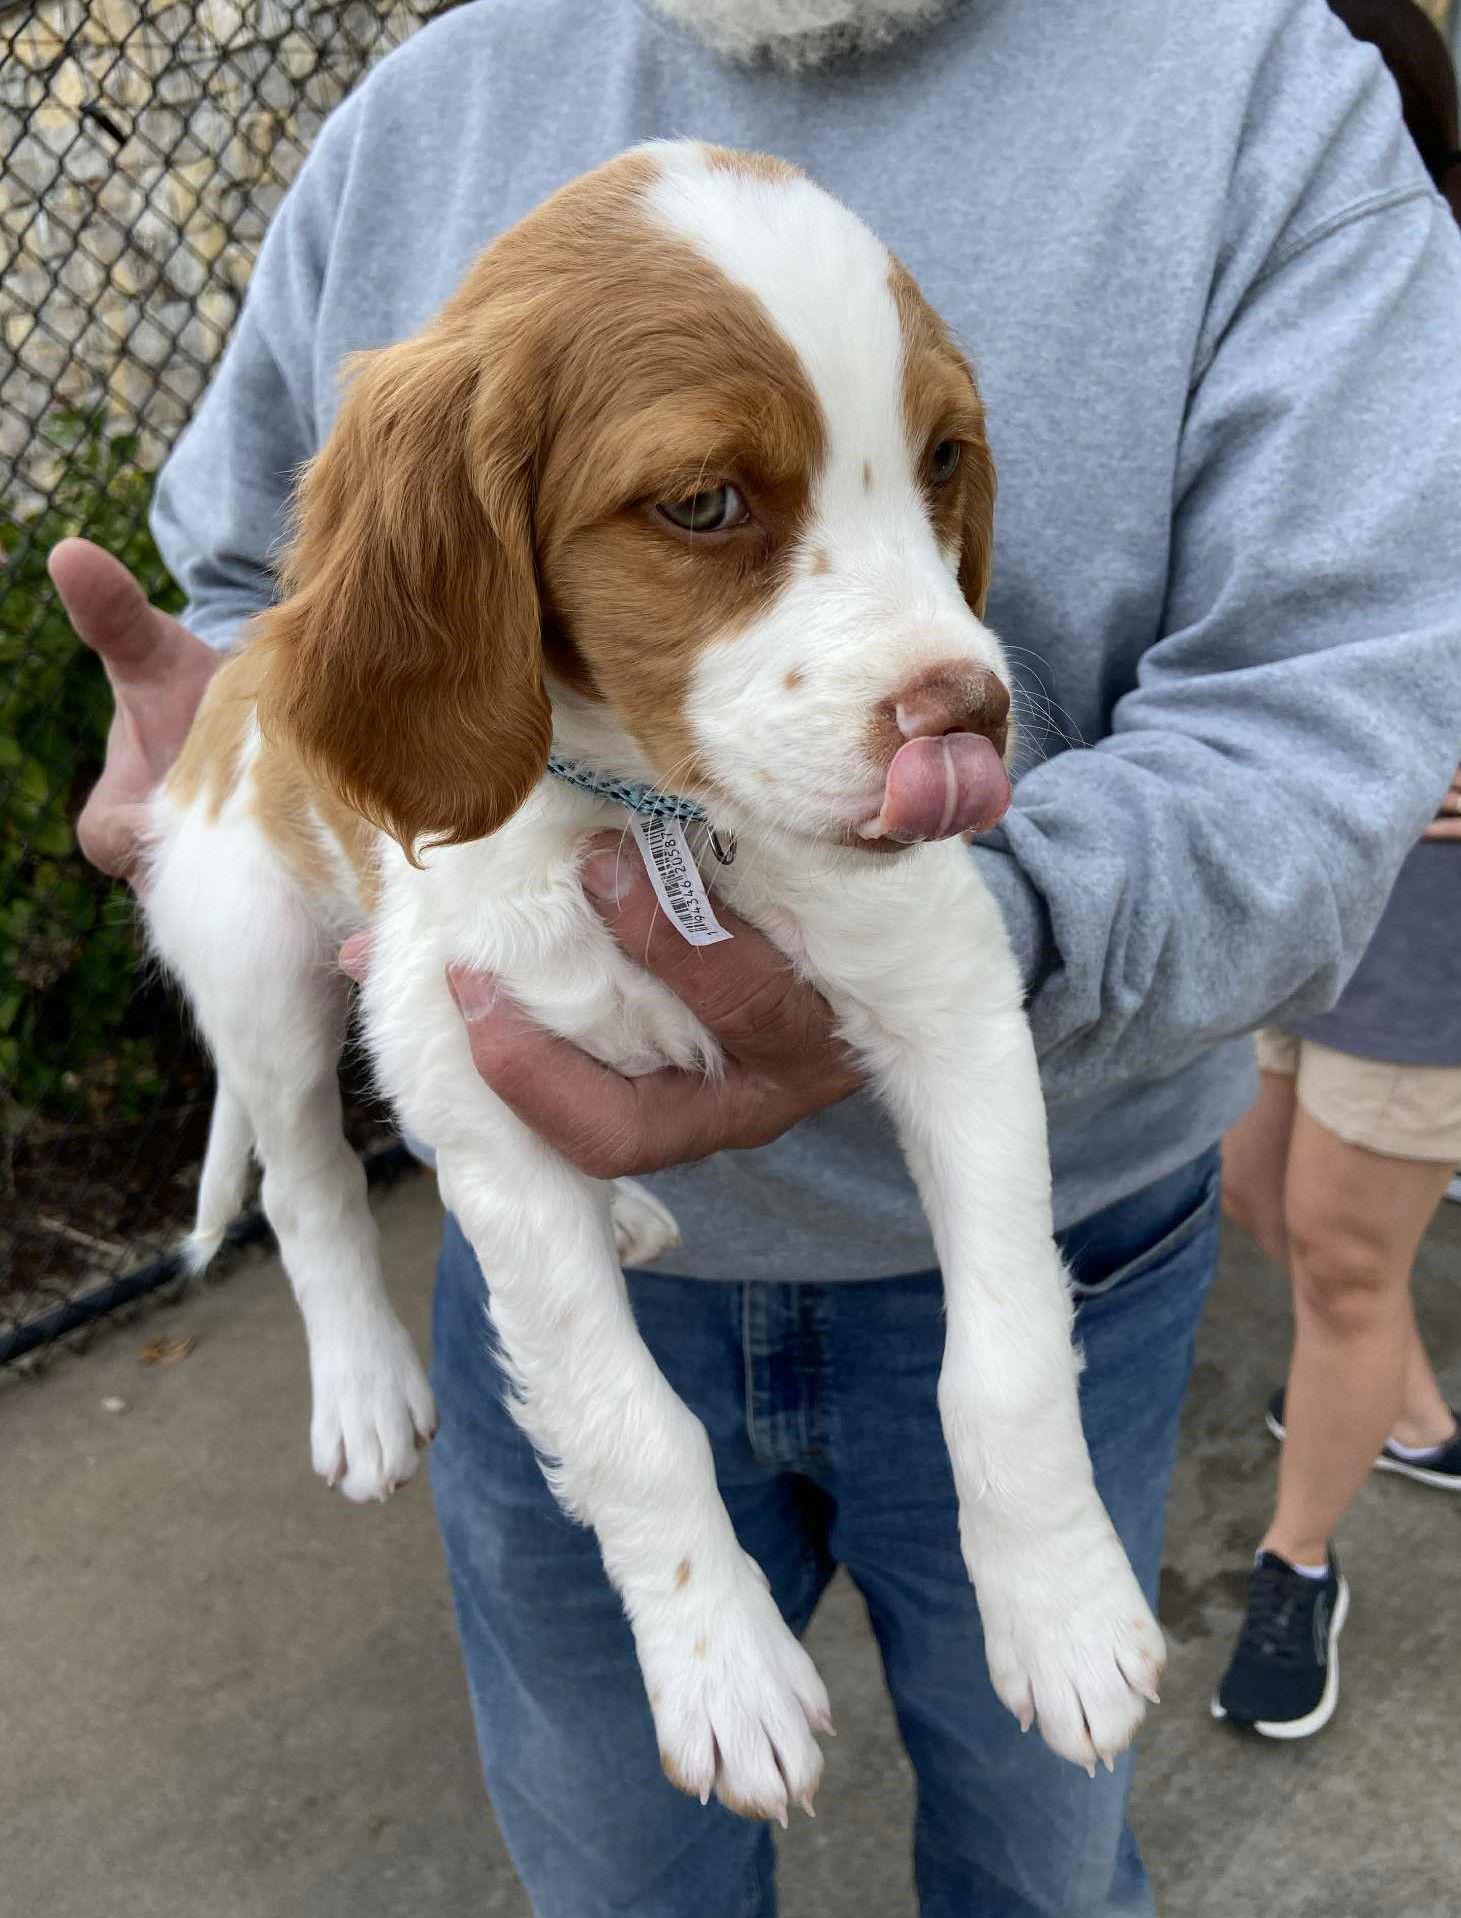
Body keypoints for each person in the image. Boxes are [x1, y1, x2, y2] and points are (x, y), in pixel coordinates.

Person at [51, 1, 1461, 1911]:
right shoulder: (424, 110)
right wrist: (226, 724)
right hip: (560, 1277)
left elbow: (1328, 720)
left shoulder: (1267, 91)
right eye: (706, 506)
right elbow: (282, 600)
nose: (945, 654)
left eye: (939, 472)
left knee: (1048, 1859)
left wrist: (979, 920)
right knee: (621, 1866)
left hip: (1080, 1233)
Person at [1213, 0, 1461, 1746]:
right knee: (1254, 1194)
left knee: (1339, 1256)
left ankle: (1297, 1565)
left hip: (1430, 918)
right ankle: (1416, 1417)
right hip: (1291, 864)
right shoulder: (1260, 323)